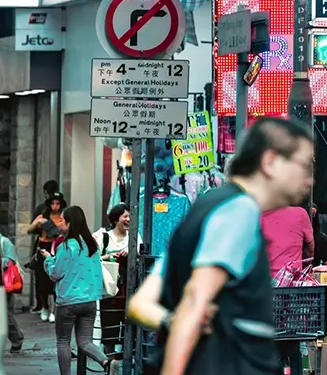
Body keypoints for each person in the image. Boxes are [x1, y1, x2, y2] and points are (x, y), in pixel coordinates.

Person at [127, 118, 315, 375]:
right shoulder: (240, 211)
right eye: (304, 165)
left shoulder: (207, 208)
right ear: (270, 162)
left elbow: (140, 304)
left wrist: (172, 320)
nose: (309, 180)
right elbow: (193, 306)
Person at [43, 206, 112, 375]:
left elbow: (55, 274)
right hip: (89, 301)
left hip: (68, 301)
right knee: (85, 342)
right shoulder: (92, 245)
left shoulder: (66, 247)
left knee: (63, 341)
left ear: (69, 223)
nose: (59, 224)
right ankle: (106, 362)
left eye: (61, 220)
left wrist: (48, 260)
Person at [22, 191, 67, 321]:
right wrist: (40, 222)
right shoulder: (43, 216)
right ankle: (44, 307)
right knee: (41, 281)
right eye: (52, 203)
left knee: (53, 280)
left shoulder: (63, 217)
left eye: (57, 203)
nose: (55, 206)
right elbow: (29, 229)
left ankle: (53, 309)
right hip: (42, 248)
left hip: (56, 248)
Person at [95, 204, 131, 356]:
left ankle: (122, 357)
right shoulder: (104, 237)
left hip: (128, 287)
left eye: (130, 216)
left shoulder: (134, 236)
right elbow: (94, 259)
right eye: (125, 216)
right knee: (110, 322)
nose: (128, 219)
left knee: (128, 322)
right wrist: (110, 257)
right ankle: (109, 359)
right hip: (109, 288)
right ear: (116, 219)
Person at [261, 205, 314, 278]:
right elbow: (310, 251)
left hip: (263, 281)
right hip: (291, 282)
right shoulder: (300, 214)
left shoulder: (254, 214)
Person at [2, 228, 23, 352]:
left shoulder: (4, 242)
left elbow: (10, 261)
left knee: (4, 314)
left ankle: (17, 339)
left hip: (4, 284)